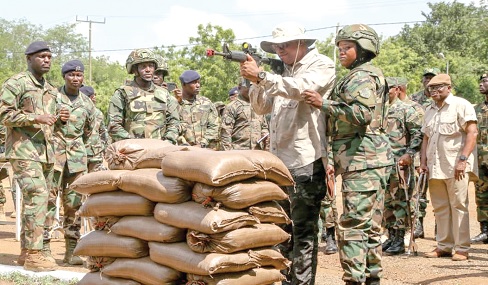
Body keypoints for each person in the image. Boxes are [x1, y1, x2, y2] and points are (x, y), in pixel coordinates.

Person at [240, 22, 335, 285]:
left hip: (306, 160)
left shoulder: (321, 65)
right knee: (281, 230)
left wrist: (262, 77)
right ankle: (284, 280)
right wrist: (255, 82)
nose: (280, 50)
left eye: (285, 45)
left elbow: (302, 89)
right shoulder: (282, 73)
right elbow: (260, 108)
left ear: (302, 44)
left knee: (303, 232)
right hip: (279, 163)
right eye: (276, 47)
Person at [302, 24, 393, 285]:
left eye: (347, 48)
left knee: (353, 226)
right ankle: (371, 278)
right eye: (339, 48)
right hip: (370, 161)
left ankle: (354, 280)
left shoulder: (361, 76)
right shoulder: (364, 74)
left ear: (362, 49)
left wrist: (324, 103)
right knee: (370, 227)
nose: (341, 52)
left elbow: (362, 115)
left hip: (363, 162)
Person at [0, 41, 70, 272]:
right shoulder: (16, 83)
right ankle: (34, 253)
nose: (47, 60)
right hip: (23, 151)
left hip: (46, 152)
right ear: (28, 58)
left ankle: (25, 252)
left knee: (42, 200)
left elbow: (55, 124)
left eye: (49, 56)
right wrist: (35, 118)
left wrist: (60, 118)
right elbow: (4, 114)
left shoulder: (50, 89)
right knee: (37, 195)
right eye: (41, 56)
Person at [47, 60, 103, 265]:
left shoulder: (87, 104)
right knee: (48, 201)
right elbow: (42, 125)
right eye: (71, 75)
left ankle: (72, 250)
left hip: (77, 160)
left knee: (74, 204)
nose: (75, 78)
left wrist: (85, 156)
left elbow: (89, 134)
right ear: (64, 76)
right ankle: (44, 249)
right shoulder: (52, 97)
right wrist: (56, 120)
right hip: (53, 157)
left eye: (79, 76)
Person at [420, 73, 477, 261]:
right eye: (431, 88)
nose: (434, 91)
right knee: (440, 207)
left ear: (449, 88)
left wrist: (463, 159)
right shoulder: (429, 110)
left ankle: (462, 248)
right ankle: (444, 245)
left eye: (439, 88)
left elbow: (472, 133)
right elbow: (426, 138)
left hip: (456, 165)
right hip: (435, 166)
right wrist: (422, 162)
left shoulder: (461, 105)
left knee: (459, 205)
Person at [381, 77, 423, 256]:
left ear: (397, 89)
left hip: (401, 162)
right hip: (382, 162)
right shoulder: (380, 109)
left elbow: (417, 134)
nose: (384, 92)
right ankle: (390, 235)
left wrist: (409, 154)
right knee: (386, 201)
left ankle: (400, 237)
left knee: (401, 199)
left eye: (388, 89)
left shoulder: (408, 109)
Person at [108, 49, 180, 144]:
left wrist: (168, 141)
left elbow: (174, 123)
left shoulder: (165, 94)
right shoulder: (122, 93)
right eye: (143, 66)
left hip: (160, 149)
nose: (148, 70)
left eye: (151, 66)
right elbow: (113, 125)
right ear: (134, 69)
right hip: (132, 150)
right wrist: (131, 143)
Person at [410, 67, 440, 239]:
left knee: (439, 190)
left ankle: (440, 227)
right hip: (418, 149)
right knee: (418, 190)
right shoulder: (414, 99)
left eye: (432, 78)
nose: (428, 81)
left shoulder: (442, 99)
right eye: (426, 78)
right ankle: (418, 225)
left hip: (437, 150)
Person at [219, 78, 269, 151]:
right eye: (249, 86)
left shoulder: (258, 106)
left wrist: (265, 135)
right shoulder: (232, 106)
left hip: (257, 151)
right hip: (238, 152)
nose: (251, 89)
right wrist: (228, 154)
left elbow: (264, 127)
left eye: (254, 86)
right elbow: (225, 133)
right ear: (239, 87)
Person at [177, 70, 219, 149]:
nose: (198, 85)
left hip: (206, 150)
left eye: (198, 82)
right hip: (183, 152)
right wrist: (183, 143)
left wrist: (203, 143)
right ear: (183, 85)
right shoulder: (176, 105)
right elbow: (172, 128)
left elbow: (214, 126)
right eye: (194, 82)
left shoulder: (206, 103)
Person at [471, 72, 488, 244]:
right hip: (480, 160)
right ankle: (485, 230)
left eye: (485, 81)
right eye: (481, 81)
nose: (481, 84)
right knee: (481, 195)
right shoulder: (476, 109)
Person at [79, 85, 111, 162]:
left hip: (83, 152)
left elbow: (103, 132)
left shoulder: (97, 113)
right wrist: (105, 148)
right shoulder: (98, 112)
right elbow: (103, 133)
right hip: (93, 152)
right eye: (93, 96)